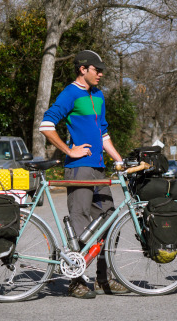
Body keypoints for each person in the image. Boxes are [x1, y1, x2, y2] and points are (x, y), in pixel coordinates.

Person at [40, 50, 128, 299]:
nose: (100, 74)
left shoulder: (98, 95)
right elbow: (46, 125)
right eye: (96, 69)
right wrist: (69, 149)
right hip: (79, 168)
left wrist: (119, 159)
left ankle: (102, 279)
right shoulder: (70, 94)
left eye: (101, 70)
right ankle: (75, 281)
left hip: (99, 168)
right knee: (80, 224)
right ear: (82, 69)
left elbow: (103, 133)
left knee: (108, 220)